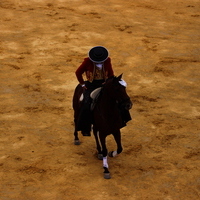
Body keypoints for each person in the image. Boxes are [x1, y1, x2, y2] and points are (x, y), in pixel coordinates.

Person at [75, 46, 114, 136]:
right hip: (91, 85)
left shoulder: (107, 60)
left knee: (116, 100)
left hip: (103, 83)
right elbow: (78, 72)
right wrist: (82, 84)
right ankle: (85, 128)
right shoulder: (87, 61)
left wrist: (109, 82)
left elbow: (111, 74)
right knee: (86, 104)